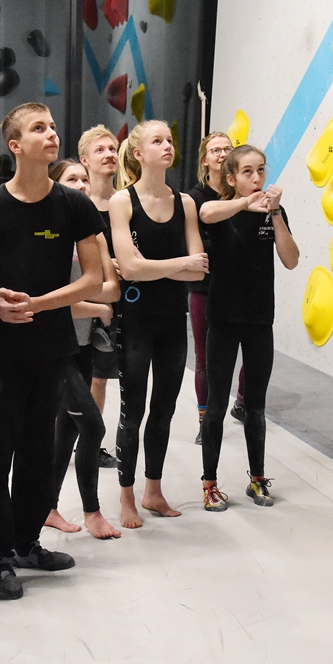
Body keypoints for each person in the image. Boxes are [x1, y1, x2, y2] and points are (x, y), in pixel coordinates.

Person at [0, 103, 103, 600]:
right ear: (15, 145)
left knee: (42, 455)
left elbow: (94, 278)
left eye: (53, 127)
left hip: (54, 350)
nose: (52, 134)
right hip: (1, 352)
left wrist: (40, 304)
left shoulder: (74, 206)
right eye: (38, 129)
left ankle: (26, 543)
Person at [109, 120, 207, 529]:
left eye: (169, 140)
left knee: (163, 411)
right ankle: (126, 495)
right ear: (137, 153)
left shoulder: (185, 202)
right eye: (157, 140)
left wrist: (159, 269)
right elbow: (129, 269)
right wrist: (178, 265)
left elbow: (200, 270)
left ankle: (153, 489)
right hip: (136, 322)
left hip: (172, 320)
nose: (167, 146)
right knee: (133, 412)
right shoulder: (122, 202)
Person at [197, 144, 299, 510]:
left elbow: (290, 260)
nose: (256, 179)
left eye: (261, 171)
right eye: (247, 172)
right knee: (216, 406)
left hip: (259, 320)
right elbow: (206, 212)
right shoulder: (222, 208)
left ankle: (257, 479)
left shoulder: (274, 212)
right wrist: (245, 202)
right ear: (231, 178)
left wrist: (274, 215)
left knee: (255, 405)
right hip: (223, 318)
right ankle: (210, 484)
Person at [44, 159, 121, 540]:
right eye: (72, 179)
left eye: (85, 180)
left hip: (85, 343)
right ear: (56, 185)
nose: (82, 185)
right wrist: (96, 304)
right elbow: (52, 300)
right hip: (57, 347)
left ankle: (48, 506)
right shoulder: (50, 234)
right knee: (93, 425)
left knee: (67, 431)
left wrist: (87, 298)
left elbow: (114, 289)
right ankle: (92, 512)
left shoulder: (94, 233)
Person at [186, 131, 246, 445]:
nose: (222, 154)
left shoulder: (242, 194)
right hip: (206, 289)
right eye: (216, 149)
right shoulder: (194, 198)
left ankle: (242, 403)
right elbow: (197, 245)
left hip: (242, 287)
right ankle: (205, 421)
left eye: (228, 149)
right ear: (205, 160)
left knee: (250, 352)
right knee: (205, 359)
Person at [76, 125, 122, 468]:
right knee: (78, 375)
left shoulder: (125, 202)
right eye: (101, 149)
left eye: (112, 148)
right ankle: (74, 437)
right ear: (84, 159)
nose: (109, 154)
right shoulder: (76, 204)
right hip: (81, 300)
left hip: (117, 302)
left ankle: (91, 443)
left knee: (101, 376)